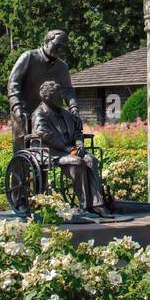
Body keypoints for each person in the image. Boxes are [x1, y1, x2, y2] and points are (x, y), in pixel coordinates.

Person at [29, 79, 110, 217]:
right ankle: (84, 206)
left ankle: (97, 204)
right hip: (50, 151)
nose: (62, 98)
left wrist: (79, 144)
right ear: (49, 98)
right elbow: (44, 134)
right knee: (77, 162)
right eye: (58, 95)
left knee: (91, 159)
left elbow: (78, 132)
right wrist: (67, 149)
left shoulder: (66, 114)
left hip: (70, 149)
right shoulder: (40, 113)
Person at [8, 29, 78, 152]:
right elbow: (13, 82)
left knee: (44, 150)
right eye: (57, 45)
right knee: (21, 149)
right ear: (47, 42)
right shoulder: (29, 57)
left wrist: (73, 108)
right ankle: (18, 171)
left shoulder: (62, 67)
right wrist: (17, 107)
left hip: (47, 113)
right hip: (23, 111)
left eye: (63, 47)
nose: (60, 50)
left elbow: (67, 90)